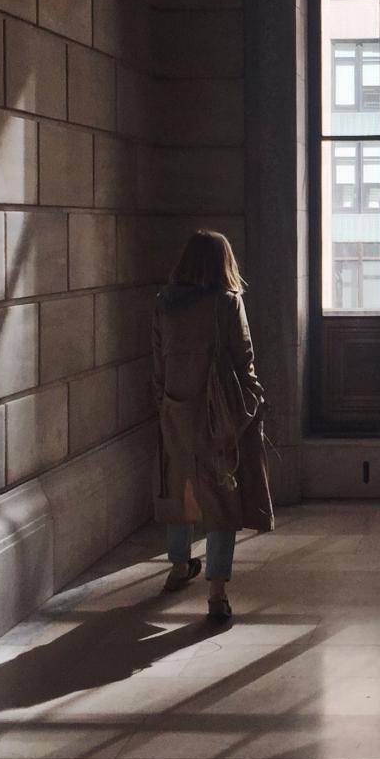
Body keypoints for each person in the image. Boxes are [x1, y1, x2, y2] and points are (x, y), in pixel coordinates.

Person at [152, 230, 274, 620]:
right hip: (217, 413)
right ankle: (217, 592)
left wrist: (166, 403)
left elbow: (157, 364)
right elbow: (244, 359)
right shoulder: (226, 303)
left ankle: (178, 564)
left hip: (175, 409)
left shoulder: (163, 304)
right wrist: (252, 402)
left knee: (179, 484)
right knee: (221, 493)